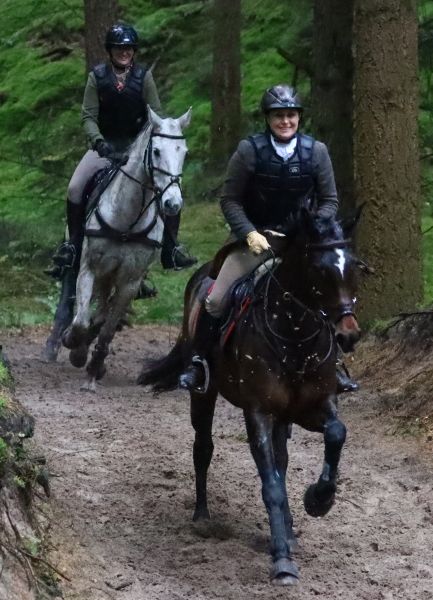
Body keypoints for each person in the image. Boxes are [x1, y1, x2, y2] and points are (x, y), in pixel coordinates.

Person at [179, 83, 358, 393]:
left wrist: (313, 228)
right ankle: (200, 363)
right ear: (268, 118)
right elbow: (230, 200)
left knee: (327, 293)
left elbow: (329, 200)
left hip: (301, 244)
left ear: (299, 117)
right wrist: (249, 233)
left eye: (291, 115)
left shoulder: (317, 152)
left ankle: (335, 366)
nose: (285, 121)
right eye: (278, 116)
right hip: (256, 241)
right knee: (217, 299)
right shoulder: (249, 151)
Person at [46, 23, 196, 289]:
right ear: (110, 50)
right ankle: (71, 247)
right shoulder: (97, 77)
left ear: (133, 51)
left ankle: (171, 248)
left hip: (137, 151)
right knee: (75, 188)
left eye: (128, 48)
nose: (124, 52)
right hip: (104, 148)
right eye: (119, 48)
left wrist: (144, 146)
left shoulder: (144, 78)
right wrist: (98, 141)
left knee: (169, 188)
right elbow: (88, 116)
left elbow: (155, 115)